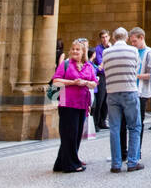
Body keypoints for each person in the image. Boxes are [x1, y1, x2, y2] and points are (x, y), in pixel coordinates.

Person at [101, 27, 143, 173]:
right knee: (134, 127)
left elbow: (104, 70)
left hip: (112, 93)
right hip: (129, 91)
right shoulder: (133, 51)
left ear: (113, 38)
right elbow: (136, 68)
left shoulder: (106, 52)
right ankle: (132, 162)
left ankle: (116, 164)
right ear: (126, 38)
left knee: (114, 128)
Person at [52, 38, 95, 172]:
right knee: (68, 133)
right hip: (67, 102)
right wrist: (73, 82)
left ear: (83, 52)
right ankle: (71, 164)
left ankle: (61, 163)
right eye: (73, 49)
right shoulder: (65, 64)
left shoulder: (88, 66)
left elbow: (94, 82)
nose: (75, 51)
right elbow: (56, 81)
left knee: (76, 134)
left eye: (78, 49)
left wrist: (85, 83)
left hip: (82, 103)